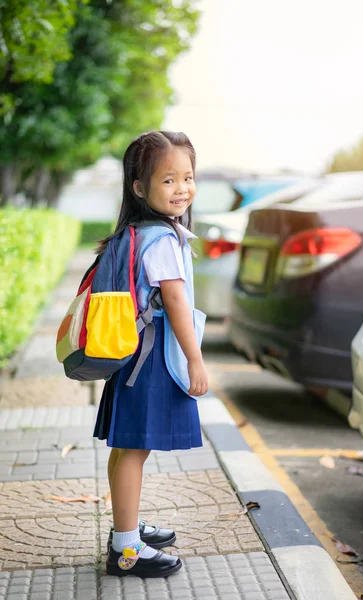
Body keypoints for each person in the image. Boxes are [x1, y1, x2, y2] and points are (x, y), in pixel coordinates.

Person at [93, 130, 208, 578]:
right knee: (135, 448)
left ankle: (125, 526)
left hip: (131, 352)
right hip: (152, 357)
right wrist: (195, 359)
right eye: (168, 180)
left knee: (126, 448)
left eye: (188, 177)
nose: (182, 188)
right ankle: (126, 551)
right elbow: (176, 304)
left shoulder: (137, 232)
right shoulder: (161, 240)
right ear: (139, 188)